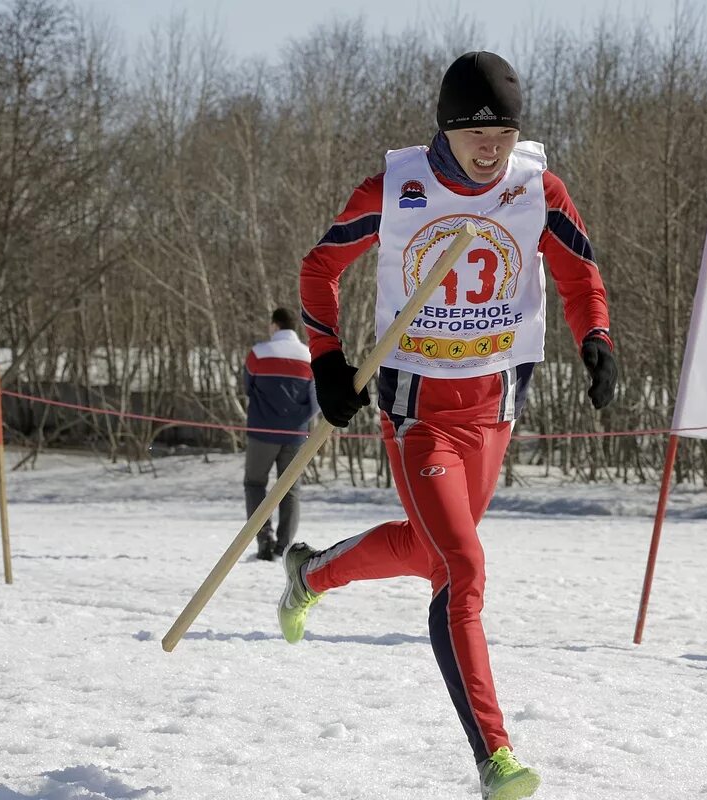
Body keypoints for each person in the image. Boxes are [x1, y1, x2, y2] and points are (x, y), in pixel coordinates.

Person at [282, 51, 617, 800]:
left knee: (432, 552)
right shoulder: (398, 189)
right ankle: (495, 757)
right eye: (475, 132)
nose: (491, 145)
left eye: (503, 129)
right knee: (462, 568)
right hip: (419, 413)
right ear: (445, 129)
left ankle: (310, 574)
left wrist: (596, 339)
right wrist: (327, 359)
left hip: (494, 409)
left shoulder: (537, 188)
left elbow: (578, 273)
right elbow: (319, 268)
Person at [243, 307, 318, 561]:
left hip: (261, 433)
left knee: (255, 484)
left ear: (274, 326)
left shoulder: (258, 353)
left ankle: (264, 540)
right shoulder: (309, 357)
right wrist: (300, 421)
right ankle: (284, 546)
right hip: (296, 435)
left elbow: (248, 388)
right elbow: (317, 400)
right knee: (291, 489)